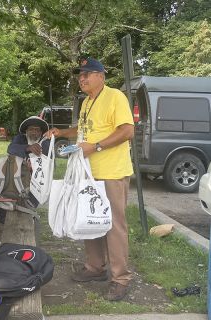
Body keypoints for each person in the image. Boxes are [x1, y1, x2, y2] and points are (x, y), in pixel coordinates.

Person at [45, 57, 134, 301]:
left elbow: (127, 131)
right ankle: (95, 268)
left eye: (87, 74)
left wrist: (95, 147)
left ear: (101, 76)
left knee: (114, 226)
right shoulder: (86, 102)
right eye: (80, 75)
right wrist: (62, 132)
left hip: (112, 171)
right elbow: (84, 129)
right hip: (88, 172)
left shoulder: (115, 96)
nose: (82, 78)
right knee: (90, 219)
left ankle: (120, 279)